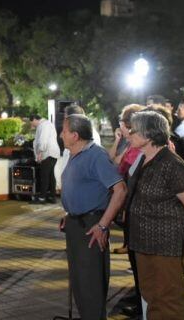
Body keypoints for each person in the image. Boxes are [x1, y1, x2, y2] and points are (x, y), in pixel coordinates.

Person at [125, 111, 184, 319]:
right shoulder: (144, 160)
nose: (128, 133)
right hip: (143, 244)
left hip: (166, 245)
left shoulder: (172, 164)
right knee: (152, 298)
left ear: (148, 134)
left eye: (133, 130)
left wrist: (183, 232)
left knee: (168, 301)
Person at [59, 113, 126, 320]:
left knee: (90, 286)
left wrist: (103, 225)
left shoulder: (95, 155)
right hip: (76, 224)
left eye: (64, 130)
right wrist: (69, 213)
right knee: (79, 283)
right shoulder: (75, 154)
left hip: (91, 226)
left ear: (75, 135)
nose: (61, 135)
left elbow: (120, 189)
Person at [31, 114, 60, 204]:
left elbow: (42, 140)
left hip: (47, 153)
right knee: (51, 175)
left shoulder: (44, 125)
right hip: (52, 153)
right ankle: (52, 197)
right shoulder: (47, 124)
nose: (32, 125)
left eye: (31, 122)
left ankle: (42, 198)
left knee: (44, 176)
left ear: (35, 119)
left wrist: (40, 153)